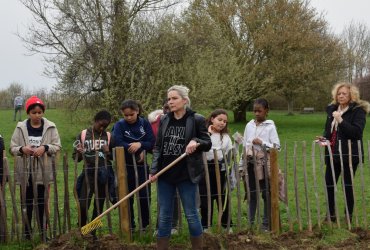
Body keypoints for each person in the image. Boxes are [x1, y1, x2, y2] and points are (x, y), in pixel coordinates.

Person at [149, 85, 211, 250]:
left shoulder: (196, 119)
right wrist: (153, 171)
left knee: (191, 214)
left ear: (184, 100)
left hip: (186, 175)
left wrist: (196, 141)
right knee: (164, 216)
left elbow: (207, 143)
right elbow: (158, 147)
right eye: (169, 99)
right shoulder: (164, 119)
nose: (170, 102)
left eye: (174, 98)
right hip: (165, 175)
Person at [10, 96, 61, 240]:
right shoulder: (20, 128)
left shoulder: (51, 127)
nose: (37, 115)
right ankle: (27, 232)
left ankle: (43, 231)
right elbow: (12, 148)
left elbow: (57, 146)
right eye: (34, 112)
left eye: (40, 112)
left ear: (43, 112)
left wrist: (44, 148)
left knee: (42, 202)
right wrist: (22, 149)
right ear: (28, 113)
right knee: (27, 203)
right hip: (25, 173)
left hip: (43, 173)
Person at [316, 82, 369, 223]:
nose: (341, 96)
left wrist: (340, 120)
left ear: (351, 95)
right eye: (339, 93)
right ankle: (330, 215)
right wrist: (324, 138)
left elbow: (356, 133)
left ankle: (348, 217)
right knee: (329, 184)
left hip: (349, 156)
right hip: (332, 154)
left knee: (347, 186)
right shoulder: (332, 109)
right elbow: (329, 131)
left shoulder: (358, 111)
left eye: (344, 93)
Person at [113, 99, 155, 231]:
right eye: (126, 115)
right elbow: (117, 141)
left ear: (137, 111)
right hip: (124, 167)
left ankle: (145, 224)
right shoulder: (119, 125)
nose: (129, 117)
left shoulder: (145, 124)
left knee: (144, 196)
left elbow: (151, 141)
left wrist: (141, 145)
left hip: (142, 167)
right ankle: (130, 225)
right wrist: (134, 147)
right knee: (127, 197)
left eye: (131, 114)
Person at [73, 110, 116, 238]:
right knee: (83, 203)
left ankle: (92, 233)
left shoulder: (108, 136)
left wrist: (108, 152)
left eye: (105, 126)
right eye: (100, 124)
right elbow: (75, 157)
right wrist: (79, 152)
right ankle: (82, 231)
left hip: (103, 175)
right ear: (95, 121)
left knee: (99, 206)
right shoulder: (83, 134)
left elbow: (116, 155)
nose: (102, 128)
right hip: (88, 173)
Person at [241, 98, 280, 231]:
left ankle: (265, 223)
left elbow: (277, 147)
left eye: (260, 111)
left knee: (266, 194)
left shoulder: (270, 126)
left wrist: (262, 143)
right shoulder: (249, 125)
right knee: (252, 193)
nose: (257, 113)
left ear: (266, 111)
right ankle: (250, 224)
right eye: (255, 111)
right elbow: (245, 144)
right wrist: (242, 163)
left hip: (264, 164)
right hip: (251, 163)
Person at [199, 109, 234, 232]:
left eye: (225, 121)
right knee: (205, 199)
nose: (222, 123)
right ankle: (205, 226)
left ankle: (226, 225)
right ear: (212, 118)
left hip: (220, 169)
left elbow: (230, 153)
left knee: (222, 198)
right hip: (205, 170)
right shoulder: (203, 133)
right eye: (220, 120)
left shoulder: (225, 137)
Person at [148, 102, 180, 235]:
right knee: (163, 197)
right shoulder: (156, 123)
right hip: (163, 164)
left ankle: (173, 226)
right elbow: (154, 144)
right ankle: (160, 227)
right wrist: (154, 168)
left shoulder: (182, 122)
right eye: (166, 108)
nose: (168, 110)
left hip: (178, 164)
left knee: (176, 196)